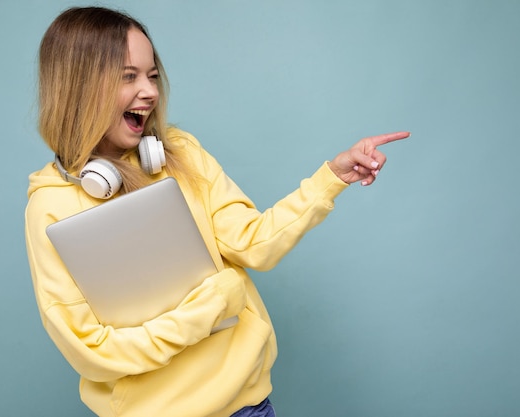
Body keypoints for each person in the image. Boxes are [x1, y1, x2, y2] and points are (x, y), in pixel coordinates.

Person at [24, 6, 409, 417]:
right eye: (128, 76)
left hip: (246, 407)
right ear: (79, 87)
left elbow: (255, 244)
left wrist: (331, 176)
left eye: (152, 75)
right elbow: (92, 351)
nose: (150, 92)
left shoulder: (180, 153)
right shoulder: (50, 206)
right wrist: (211, 307)